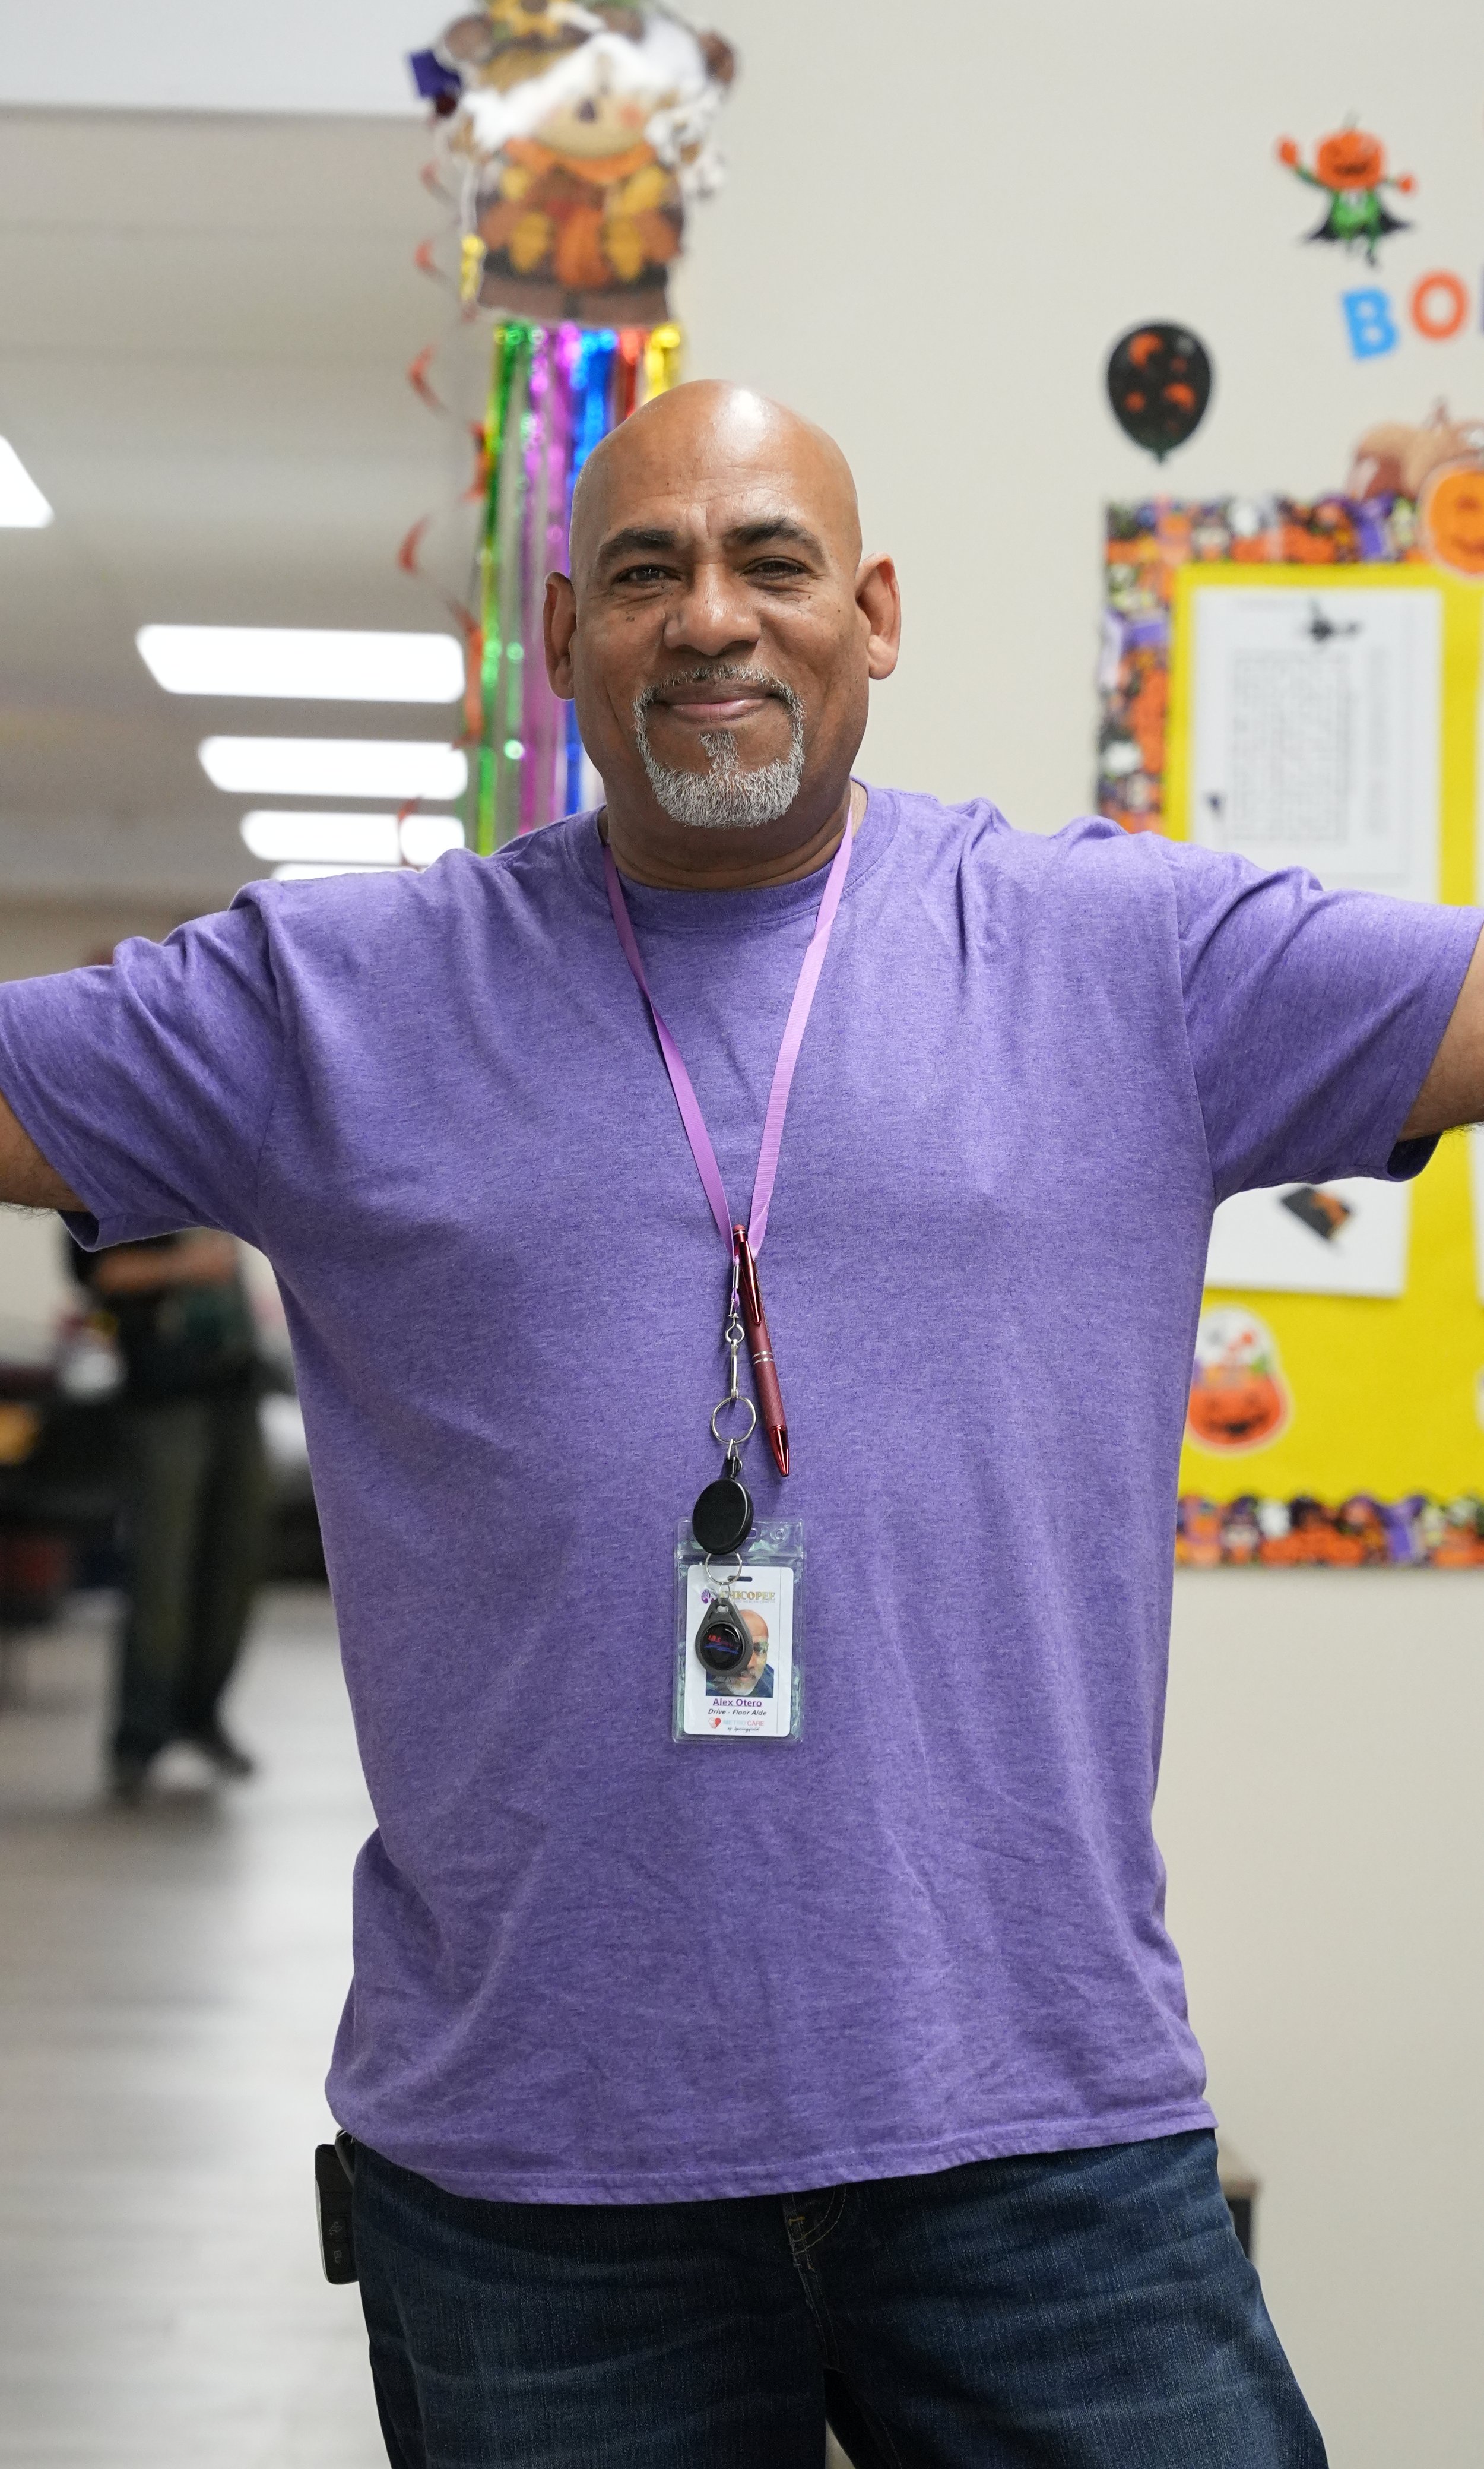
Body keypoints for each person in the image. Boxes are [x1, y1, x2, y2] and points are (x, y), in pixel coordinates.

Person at [0, 381, 1480, 2467]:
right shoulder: (336, 999)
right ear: (564, 632)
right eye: (646, 569)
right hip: (538, 2171)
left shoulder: (1124, 955)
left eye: (771, 560)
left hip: (1035, 2132)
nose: (710, 614)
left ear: (872, 612)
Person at [68, 1225, 265, 1797]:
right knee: (162, 1570)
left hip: (235, 1382)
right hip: (165, 1394)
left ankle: (200, 1712)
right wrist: (185, 1269)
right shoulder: (127, 1159)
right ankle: (140, 1734)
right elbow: (97, 1272)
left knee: (236, 1560)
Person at [705, 1605, 773, 1698]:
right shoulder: (701, 1681)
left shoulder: (775, 1686)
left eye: (759, 1649)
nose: (748, 1664)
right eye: (739, 1648)